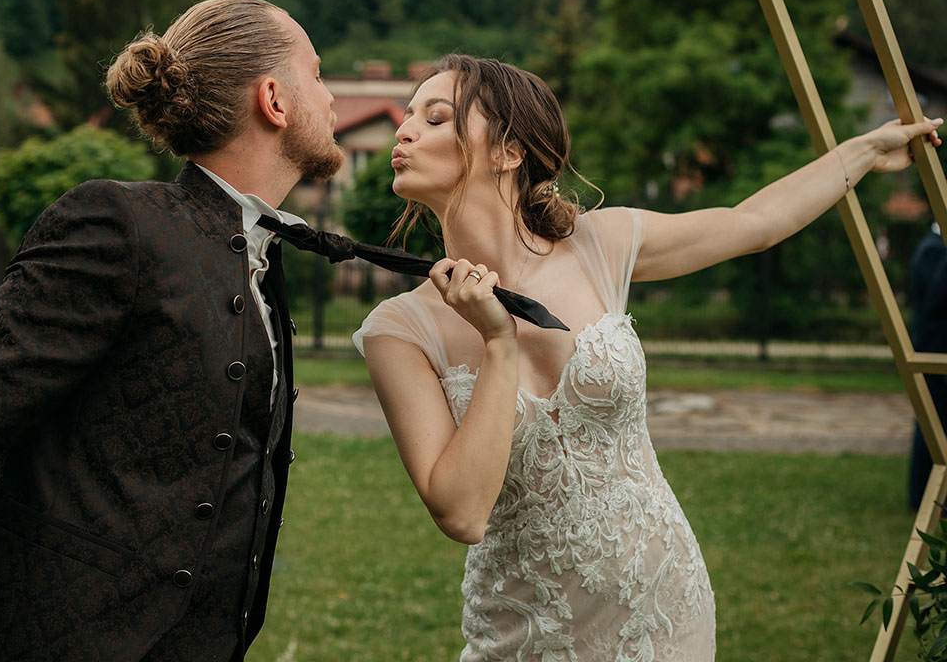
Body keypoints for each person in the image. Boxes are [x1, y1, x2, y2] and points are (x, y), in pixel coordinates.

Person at [0, 0, 342, 662]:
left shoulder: (263, 261)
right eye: (318, 73)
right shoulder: (116, 224)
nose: (331, 97)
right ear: (273, 100)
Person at [353, 54, 942, 661]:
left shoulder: (599, 245)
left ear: (509, 151)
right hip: (529, 636)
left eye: (435, 117)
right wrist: (498, 343)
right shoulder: (400, 330)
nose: (405, 129)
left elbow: (755, 222)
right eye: (408, 115)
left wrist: (864, 151)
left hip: (666, 612)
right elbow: (462, 513)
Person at [908, 223, 947, 511]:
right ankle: (922, 497)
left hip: (936, 350)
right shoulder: (931, 250)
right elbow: (935, 300)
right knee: (930, 426)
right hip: (933, 351)